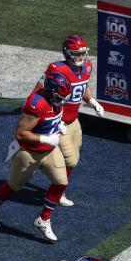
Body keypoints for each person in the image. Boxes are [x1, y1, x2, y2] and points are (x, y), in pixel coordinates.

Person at [0, 72, 73, 242]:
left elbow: (51, 115)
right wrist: (46, 137)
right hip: (28, 150)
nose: (62, 101)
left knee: (61, 182)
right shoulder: (36, 104)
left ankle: (43, 219)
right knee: (13, 186)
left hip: (49, 149)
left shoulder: (54, 99)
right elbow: (21, 134)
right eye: (60, 97)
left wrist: (57, 124)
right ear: (50, 91)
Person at [40, 34, 104, 207]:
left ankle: (59, 190)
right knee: (71, 160)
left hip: (74, 121)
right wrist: (52, 118)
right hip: (59, 122)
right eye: (76, 54)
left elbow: (82, 87)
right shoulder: (56, 69)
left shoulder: (87, 67)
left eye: (83, 53)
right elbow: (41, 92)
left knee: (74, 159)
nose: (81, 57)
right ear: (67, 53)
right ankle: (55, 189)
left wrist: (92, 102)